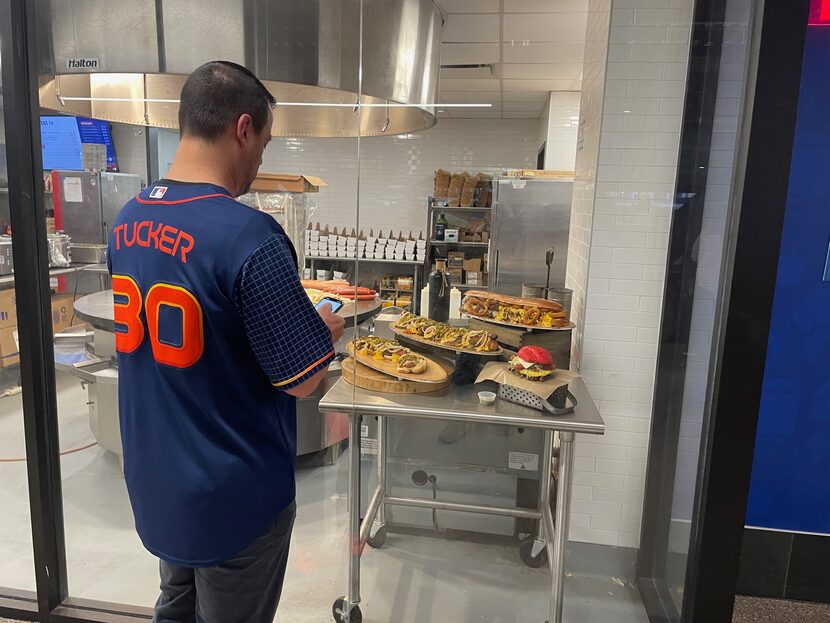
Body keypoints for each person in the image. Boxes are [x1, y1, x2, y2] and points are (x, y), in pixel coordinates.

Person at [107, 60, 345, 623]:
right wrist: (324, 327)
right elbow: (304, 377)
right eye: (264, 142)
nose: (261, 159)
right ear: (243, 128)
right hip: (233, 495)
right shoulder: (249, 237)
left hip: (159, 482)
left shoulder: (126, 221)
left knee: (176, 604)